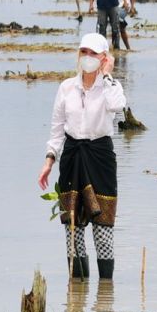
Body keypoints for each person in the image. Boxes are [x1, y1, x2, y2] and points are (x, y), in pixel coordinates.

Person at [37, 33, 127, 279]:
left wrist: (107, 75)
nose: (88, 58)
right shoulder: (66, 87)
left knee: (103, 227)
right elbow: (57, 129)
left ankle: (105, 294)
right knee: (73, 226)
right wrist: (49, 160)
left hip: (100, 156)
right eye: (84, 52)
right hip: (73, 156)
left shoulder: (111, 87)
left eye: (94, 53)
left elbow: (118, 106)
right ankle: (77, 292)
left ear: (104, 58)